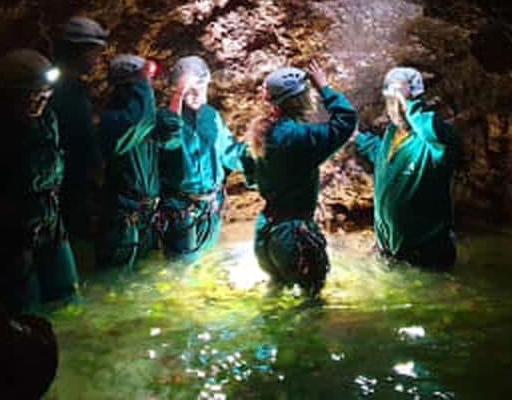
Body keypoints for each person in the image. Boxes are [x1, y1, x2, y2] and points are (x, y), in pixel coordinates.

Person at [0, 48, 79, 313]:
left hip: (51, 226)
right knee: (26, 311)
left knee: (68, 301)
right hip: (14, 237)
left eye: (46, 94)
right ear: (11, 94)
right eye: (34, 94)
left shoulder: (47, 121)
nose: (41, 100)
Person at [247, 60, 357, 294]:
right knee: (312, 301)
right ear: (300, 99)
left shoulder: (261, 133)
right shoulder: (298, 137)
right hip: (293, 235)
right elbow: (345, 122)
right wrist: (325, 88)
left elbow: (250, 176)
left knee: (275, 292)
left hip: (265, 231)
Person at [355, 67, 461, 270]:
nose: (398, 108)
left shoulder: (435, 142)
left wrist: (410, 104)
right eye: (393, 102)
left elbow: (440, 137)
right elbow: (385, 160)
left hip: (427, 256)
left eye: (402, 103)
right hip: (392, 251)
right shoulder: (392, 133)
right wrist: (357, 138)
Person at [155, 56, 249, 260]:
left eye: (200, 86)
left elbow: (229, 152)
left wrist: (263, 161)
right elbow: (168, 138)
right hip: (181, 209)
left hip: (211, 205)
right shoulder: (165, 118)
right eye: (190, 89)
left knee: (207, 259)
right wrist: (180, 93)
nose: (196, 93)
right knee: (181, 268)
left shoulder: (212, 116)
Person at [96, 54, 160, 270]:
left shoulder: (143, 123)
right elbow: (139, 119)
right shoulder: (112, 122)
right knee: (114, 282)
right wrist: (142, 82)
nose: (150, 86)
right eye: (143, 83)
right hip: (122, 217)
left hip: (145, 214)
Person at [50, 16, 108, 238]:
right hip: (65, 186)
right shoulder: (62, 91)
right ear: (79, 50)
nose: (98, 60)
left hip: (71, 183)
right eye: (95, 53)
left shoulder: (72, 88)